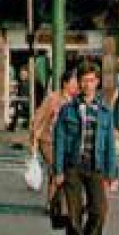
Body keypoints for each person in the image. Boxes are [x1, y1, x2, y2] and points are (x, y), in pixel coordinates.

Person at [52, 63, 119, 235]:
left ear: (97, 82)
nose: (87, 85)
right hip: (73, 166)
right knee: (74, 214)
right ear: (78, 83)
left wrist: (112, 174)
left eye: (91, 80)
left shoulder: (105, 112)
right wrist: (58, 170)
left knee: (99, 211)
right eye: (83, 80)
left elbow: (109, 145)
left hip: (96, 166)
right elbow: (59, 140)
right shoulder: (67, 110)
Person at [30, 71, 81, 210]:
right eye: (74, 82)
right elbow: (38, 117)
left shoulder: (76, 101)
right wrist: (34, 140)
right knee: (56, 168)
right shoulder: (53, 98)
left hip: (67, 142)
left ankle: (61, 202)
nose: (77, 86)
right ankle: (52, 203)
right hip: (48, 140)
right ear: (65, 83)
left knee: (66, 171)